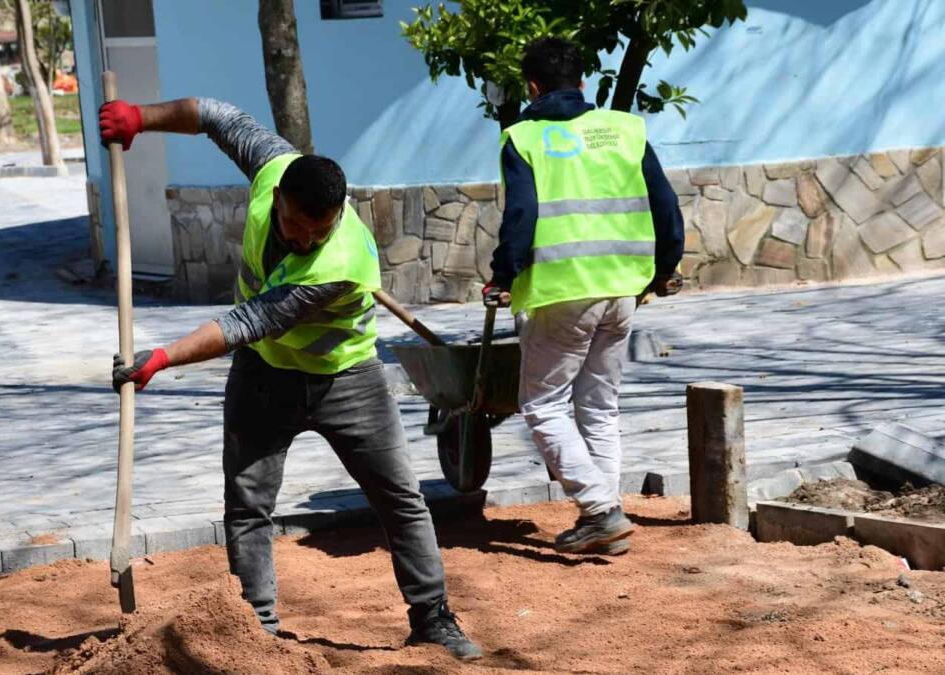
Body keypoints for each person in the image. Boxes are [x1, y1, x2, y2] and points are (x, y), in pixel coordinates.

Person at [98, 96, 482, 660]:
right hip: (264, 376)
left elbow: (249, 321)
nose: (304, 239)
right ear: (277, 196)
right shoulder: (274, 167)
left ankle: (433, 618)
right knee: (247, 505)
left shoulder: (339, 262)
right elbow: (215, 116)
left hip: (347, 377)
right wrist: (140, 118)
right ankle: (257, 635)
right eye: (294, 225)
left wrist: (162, 358)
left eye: (317, 231)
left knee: (400, 497)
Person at [483, 37, 685, 555]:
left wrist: (503, 276)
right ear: (584, 83)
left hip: (560, 292)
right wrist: (662, 270)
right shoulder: (625, 129)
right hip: (623, 287)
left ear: (532, 86)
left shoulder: (523, 137)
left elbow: (521, 215)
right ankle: (605, 515)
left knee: (544, 405)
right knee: (599, 405)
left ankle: (600, 509)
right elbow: (666, 206)